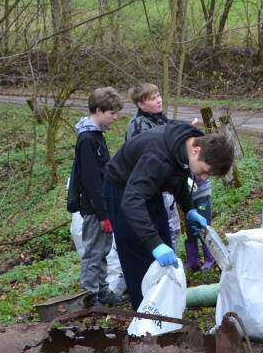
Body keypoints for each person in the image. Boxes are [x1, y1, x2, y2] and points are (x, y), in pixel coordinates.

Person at [104, 122, 234, 309]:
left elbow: (178, 177)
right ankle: (145, 313)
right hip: (121, 189)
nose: (204, 178)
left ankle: (163, 304)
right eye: (205, 171)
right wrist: (154, 244)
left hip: (149, 189)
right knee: (139, 254)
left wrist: (189, 209)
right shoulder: (157, 159)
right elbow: (131, 202)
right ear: (196, 150)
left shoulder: (188, 142)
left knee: (163, 241)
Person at [125, 81, 216, 272]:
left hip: (169, 188)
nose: (159, 100)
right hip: (149, 186)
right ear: (141, 104)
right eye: (153, 98)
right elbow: (146, 160)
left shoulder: (164, 120)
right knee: (156, 228)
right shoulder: (137, 125)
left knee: (172, 228)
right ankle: (160, 266)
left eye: (159, 96)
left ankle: (173, 265)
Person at [68, 86, 125, 306]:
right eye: (112, 113)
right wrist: (102, 214)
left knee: (103, 250)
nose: (115, 117)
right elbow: (92, 181)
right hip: (94, 209)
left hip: (104, 206)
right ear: (99, 110)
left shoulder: (97, 136)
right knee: (93, 252)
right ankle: (90, 296)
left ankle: (102, 291)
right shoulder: (87, 140)